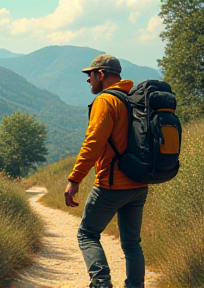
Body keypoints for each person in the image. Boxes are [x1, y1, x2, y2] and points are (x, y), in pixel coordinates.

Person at [64, 54, 148, 288]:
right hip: (139, 184)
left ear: (101, 74)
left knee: (87, 234)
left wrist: (75, 179)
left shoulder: (106, 100)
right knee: (132, 243)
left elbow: (93, 143)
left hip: (112, 184)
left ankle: (101, 284)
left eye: (90, 75)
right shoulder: (132, 98)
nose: (88, 80)